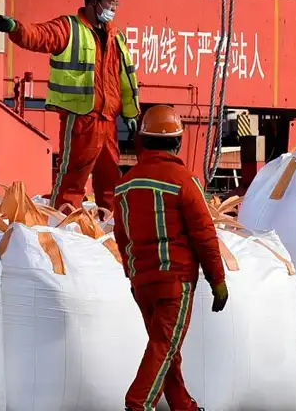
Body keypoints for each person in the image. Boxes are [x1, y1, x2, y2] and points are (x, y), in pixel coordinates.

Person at [0, 0, 140, 213]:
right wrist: (15, 28)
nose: (113, 8)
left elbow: (126, 80)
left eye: (114, 3)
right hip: (81, 118)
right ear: (92, 1)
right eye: (109, 2)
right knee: (72, 178)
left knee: (111, 179)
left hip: (107, 120)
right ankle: (65, 225)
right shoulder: (69, 28)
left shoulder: (116, 38)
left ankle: (111, 227)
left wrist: (131, 114)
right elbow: (39, 36)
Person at [113, 105, 228, 411]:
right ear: (177, 142)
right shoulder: (183, 180)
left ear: (143, 140)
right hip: (174, 283)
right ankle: (138, 404)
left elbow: (121, 236)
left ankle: (184, 406)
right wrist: (217, 280)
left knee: (165, 348)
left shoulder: (126, 184)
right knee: (165, 346)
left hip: (142, 284)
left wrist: (132, 273)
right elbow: (204, 233)